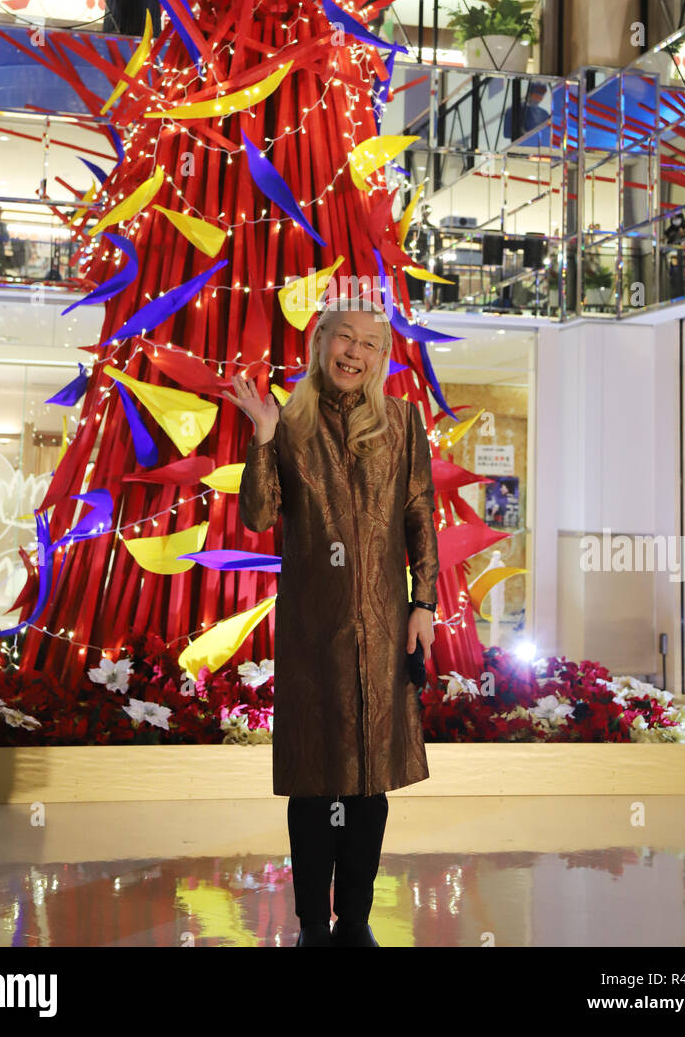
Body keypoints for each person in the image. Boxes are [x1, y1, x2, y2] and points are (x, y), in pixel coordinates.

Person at [232, 296, 438, 948]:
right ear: (322, 344)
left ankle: (354, 919)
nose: (354, 351)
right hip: (313, 629)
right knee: (315, 778)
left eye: (369, 344)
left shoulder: (404, 423)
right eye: (343, 338)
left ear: (381, 358)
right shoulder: (289, 423)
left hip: (381, 627)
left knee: (371, 780)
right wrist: (263, 439)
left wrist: (423, 603)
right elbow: (260, 518)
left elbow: (419, 517)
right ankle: (312, 925)